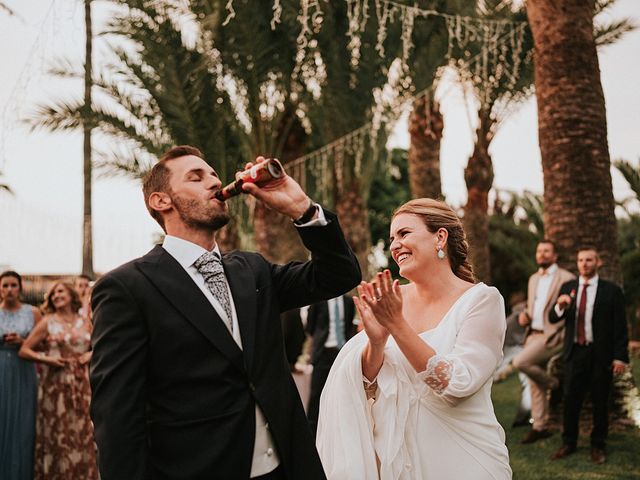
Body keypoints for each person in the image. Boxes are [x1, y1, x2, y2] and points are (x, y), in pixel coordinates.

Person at [89, 145, 361, 480]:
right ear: (161, 201)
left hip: (286, 467)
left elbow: (339, 275)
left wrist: (301, 209)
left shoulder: (253, 270)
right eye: (196, 176)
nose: (214, 182)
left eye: (214, 175)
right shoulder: (127, 288)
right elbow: (116, 415)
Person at [316, 198, 511, 479]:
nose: (394, 244)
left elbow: (457, 384)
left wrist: (397, 325)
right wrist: (377, 343)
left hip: (463, 458)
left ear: (439, 237)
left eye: (404, 233)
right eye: (392, 237)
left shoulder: (481, 301)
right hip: (398, 461)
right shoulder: (392, 299)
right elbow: (367, 388)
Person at [549, 247, 629, 464]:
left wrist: (620, 356)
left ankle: (598, 445)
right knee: (570, 401)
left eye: (589, 260)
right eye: (581, 260)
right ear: (577, 263)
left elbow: (620, 327)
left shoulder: (611, 291)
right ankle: (568, 443)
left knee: (600, 401)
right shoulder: (568, 288)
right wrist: (560, 306)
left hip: (600, 354)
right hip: (575, 353)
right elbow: (553, 317)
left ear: (598, 262)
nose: (584, 263)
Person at [19, 281, 98, 480]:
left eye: (60, 291)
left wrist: (90, 355)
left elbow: (101, 345)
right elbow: (25, 350)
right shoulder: (48, 322)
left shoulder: (86, 321)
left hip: (81, 384)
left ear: (71, 295)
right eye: (53, 294)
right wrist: (47, 359)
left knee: (82, 430)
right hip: (55, 385)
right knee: (58, 433)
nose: (56, 296)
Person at [512, 240, 575, 443]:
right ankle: (540, 427)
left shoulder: (567, 278)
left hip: (553, 335)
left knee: (520, 362)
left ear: (555, 256)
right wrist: (525, 316)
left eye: (547, 251)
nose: (542, 254)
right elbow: (534, 306)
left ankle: (554, 384)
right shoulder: (533, 279)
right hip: (533, 334)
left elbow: (569, 310)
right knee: (533, 383)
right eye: (539, 251)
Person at [0, 271, 41, 480]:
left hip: (24, 369)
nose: (9, 290)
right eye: (5, 285)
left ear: (20, 288)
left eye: (13, 285)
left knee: (24, 421)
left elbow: (43, 343)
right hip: (1, 370)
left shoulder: (33, 312)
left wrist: (22, 343)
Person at [305, 295, 356, 435]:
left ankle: (340, 431)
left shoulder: (348, 301)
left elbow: (349, 325)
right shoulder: (318, 301)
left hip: (342, 353)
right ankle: (312, 433)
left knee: (343, 392)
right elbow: (310, 327)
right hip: (322, 353)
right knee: (316, 395)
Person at [494, 292, 531, 428]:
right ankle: (523, 416)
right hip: (513, 350)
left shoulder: (515, 317)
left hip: (517, 350)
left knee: (527, 381)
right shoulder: (513, 320)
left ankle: (522, 417)